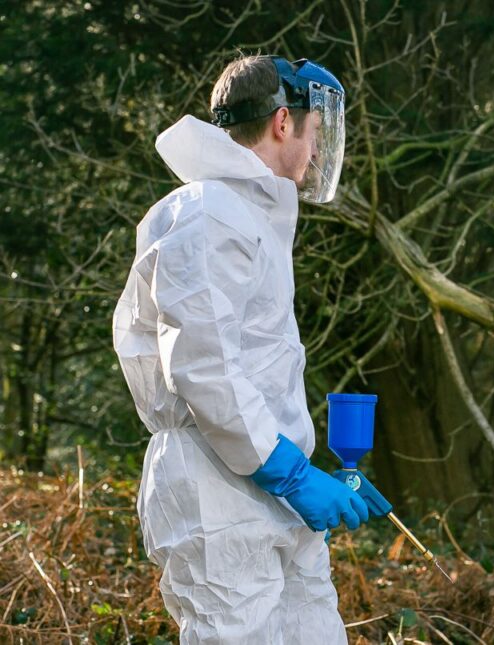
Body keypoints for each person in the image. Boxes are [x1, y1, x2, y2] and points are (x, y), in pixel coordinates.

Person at [112, 55, 365, 644]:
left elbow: (255, 372)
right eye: (315, 134)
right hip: (215, 493)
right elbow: (202, 368)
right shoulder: (208, 214)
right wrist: (291, 473)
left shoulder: (252, 219)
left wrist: (315, 474)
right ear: (283, 123)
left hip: (269, 490)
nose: (316, 152)